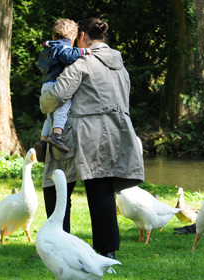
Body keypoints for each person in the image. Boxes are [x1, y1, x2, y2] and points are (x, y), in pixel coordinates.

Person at [39, 17, 145, 259]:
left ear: (82, 37)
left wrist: (43, 101)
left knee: (56, 184)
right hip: (113, 134)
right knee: (101, 189)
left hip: (79, 133)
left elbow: (56, 96)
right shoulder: (120, 65)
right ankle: (107, 250)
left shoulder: (81, 63)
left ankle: (57, 243)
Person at [34, 18, 91, 162]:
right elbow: (68, 58)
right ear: (72, 39)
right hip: (55, 84)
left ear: (53, 36)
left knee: (49, 116)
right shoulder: (64, 48)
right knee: (63, 106)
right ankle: (57, 135)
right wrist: (83, 51)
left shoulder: (48, 48)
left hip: (46, 84)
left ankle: (42, 141)